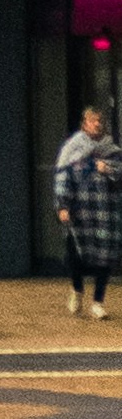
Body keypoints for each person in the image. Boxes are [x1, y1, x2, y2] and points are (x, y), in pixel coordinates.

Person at [53, 102, 122, 319]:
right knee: (76, 255)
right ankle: (77, 289)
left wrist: (108, 169)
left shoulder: (112, 150)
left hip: (105, 212)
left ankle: (98, 302)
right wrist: (62, 205)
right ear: (85, 124)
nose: (98, 125)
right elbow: (62, 176)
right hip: (80, 212)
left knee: (105, 257)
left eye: (100, 121)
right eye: (93, 121)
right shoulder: (72, 149)